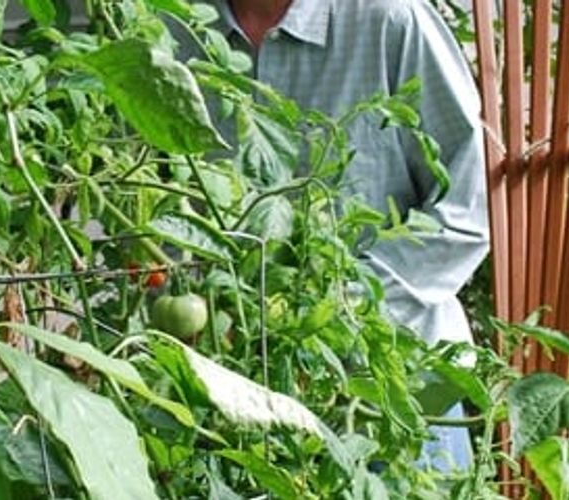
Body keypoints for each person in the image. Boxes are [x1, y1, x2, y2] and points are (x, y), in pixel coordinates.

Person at [190, 0, 490, 470]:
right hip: (225, 398)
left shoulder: (390, 20)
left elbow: (468, 208)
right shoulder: (177, 29)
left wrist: (341, 308)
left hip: (390, 397)